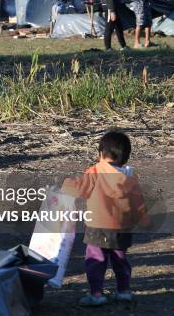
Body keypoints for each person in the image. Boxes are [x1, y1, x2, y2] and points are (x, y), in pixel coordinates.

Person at [62, 131, 151, 307]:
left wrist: (65, 184)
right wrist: (143, 219)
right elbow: (138, 201)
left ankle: (96, 294)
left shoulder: (95, 172)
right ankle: (123, 291)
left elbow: (79, 189)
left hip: (98, 227)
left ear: (101, 153)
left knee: (96, 260)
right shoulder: (130, 176)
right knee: (120, 259)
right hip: (122, 228)